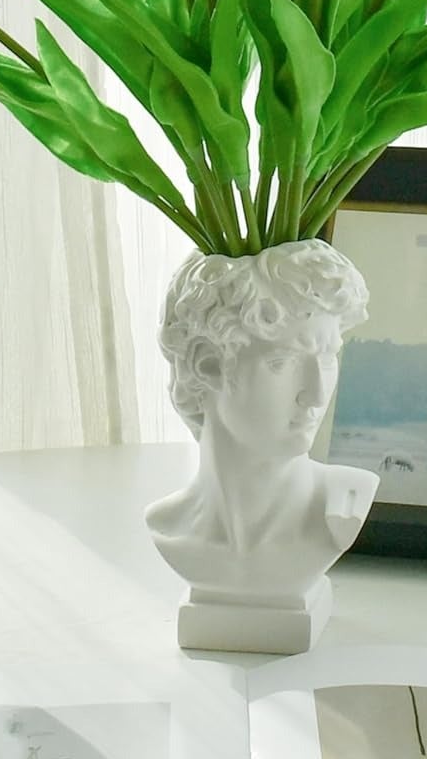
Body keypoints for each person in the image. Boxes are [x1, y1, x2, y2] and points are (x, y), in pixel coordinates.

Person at [146, 240, 380, 611]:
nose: (317, 395)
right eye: (283, 362)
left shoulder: (342, 508)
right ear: (207, 364)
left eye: (328, 358)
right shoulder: (167, 527)